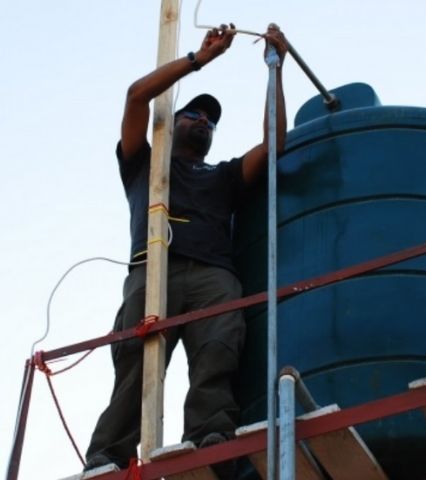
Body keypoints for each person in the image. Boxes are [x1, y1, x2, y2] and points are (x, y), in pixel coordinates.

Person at [84, 23, 287, 476]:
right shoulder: (144, 163)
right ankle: (110, 455)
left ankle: (210, 435)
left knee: (218, 351)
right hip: (152, 267)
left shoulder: (224, 175)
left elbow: (274, 145)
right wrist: (200, 59)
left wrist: (276, 71)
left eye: (210, 122)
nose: (203, 122)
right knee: (136, 363)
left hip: (213, 274)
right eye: (193, 115)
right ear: (171, 125)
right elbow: (136, 97)